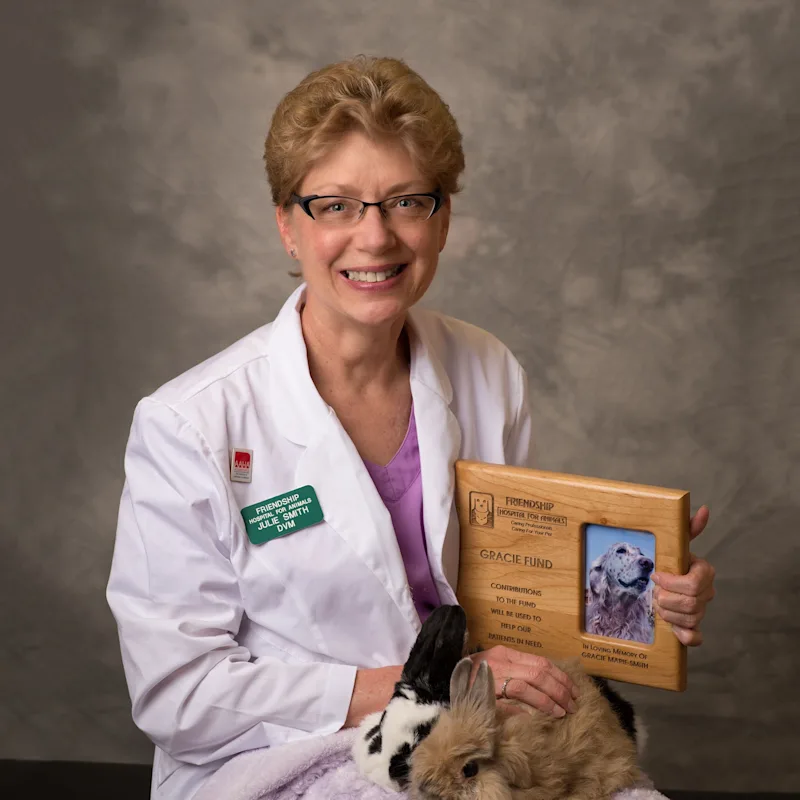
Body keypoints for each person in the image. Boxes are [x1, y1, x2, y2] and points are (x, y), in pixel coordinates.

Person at [106, 55, 716, 800]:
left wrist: (642, 596)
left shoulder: (489, 371)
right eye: (334, 206)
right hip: (294, 755)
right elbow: (179, 696)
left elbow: (517, 602)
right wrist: (408, 686)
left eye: (405, 202)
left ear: (444, 219)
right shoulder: (188, 425)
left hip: (477, 733)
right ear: (286, 227)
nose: (375, 238)